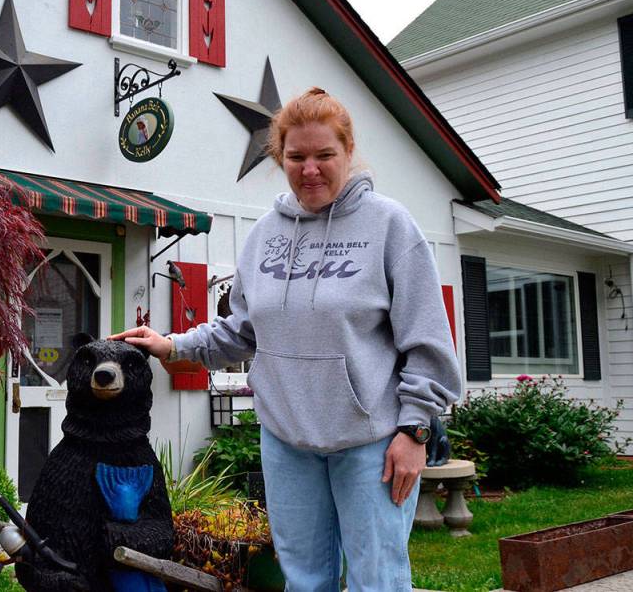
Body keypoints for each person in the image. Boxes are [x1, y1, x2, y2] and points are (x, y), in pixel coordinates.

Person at [111, 87, 461, 591]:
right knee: (303, 581)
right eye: (296, 156)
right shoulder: (266, 235)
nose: (310, 169)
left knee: (377, 580)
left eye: (324, 155)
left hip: (372, 443)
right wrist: (173, 346)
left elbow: (427, 342)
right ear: (280, 157)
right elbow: (243, 331)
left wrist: (415, 432)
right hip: (286, 441)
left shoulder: (390, 226)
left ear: (348, 152)